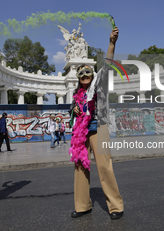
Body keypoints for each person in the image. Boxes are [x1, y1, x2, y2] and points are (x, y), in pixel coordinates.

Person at [69, 27, 124, 220]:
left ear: (92, 75)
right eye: (81, 74)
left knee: (104, 166)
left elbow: (107, 63)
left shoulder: (99, 85)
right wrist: (74, 109)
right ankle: (82, 205)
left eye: (88, 73)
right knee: (80, 166)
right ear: (78, 78)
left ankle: (115, 206)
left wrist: (112, 43)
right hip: (80, 133)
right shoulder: (77, 94)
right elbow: (74, 110)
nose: (85, 76)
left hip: (97, 127)